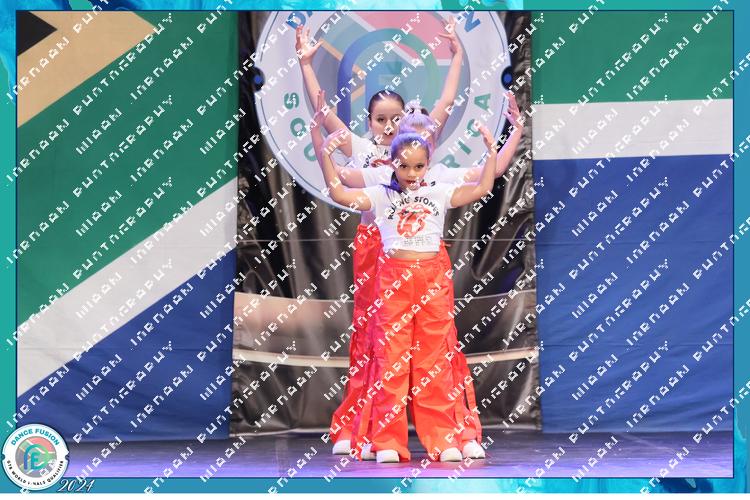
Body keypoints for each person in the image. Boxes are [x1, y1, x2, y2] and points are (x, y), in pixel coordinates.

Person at [319, 92, 524, 459]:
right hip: (390, 273)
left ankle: (445, 437)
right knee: (388, 356)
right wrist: (323, 151)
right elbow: (339, 188)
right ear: (393, 158)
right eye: (405, 165)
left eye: (419, 164)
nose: (412, 172)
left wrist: (500, 145)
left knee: (434, 358)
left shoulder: (439, 185)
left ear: (428, 158)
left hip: (430, 276)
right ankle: (382, 437)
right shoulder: (380, 187)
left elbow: (484, 182)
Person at [296, 16, 466, 456]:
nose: (389, 126)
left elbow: (447, 102)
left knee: (432, 340)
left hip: (416, 254)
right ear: (369, 121)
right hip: (375, 249)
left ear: (406, 118)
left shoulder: (415, 148)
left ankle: (454, 431)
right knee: (372, 337)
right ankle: (359, 427)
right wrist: (306, 64)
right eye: (380, 120)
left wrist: (456, 55)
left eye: (395, 118)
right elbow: (323, 115)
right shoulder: (363, 150)